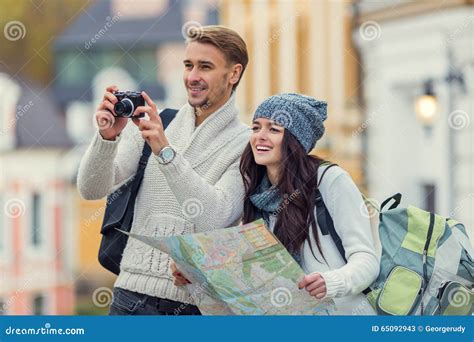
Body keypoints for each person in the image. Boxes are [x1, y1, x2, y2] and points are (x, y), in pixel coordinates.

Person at [77, 25, 250, 315]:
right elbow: (90, 189)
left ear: (233, 74)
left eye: (205, 67)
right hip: (128, 298)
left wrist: (165, 152)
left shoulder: (246, 145)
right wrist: (107, 137)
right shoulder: (159, 123)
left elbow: (215, 216)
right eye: (188, 65)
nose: (192, 77)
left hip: (194, 307)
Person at [239, 93, 380, 314]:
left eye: (274, 129)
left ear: (296, 140)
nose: (260, 137)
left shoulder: (329, 180)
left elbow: (367, 260)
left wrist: (330, 282)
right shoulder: (256, 194)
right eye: (256, 128)